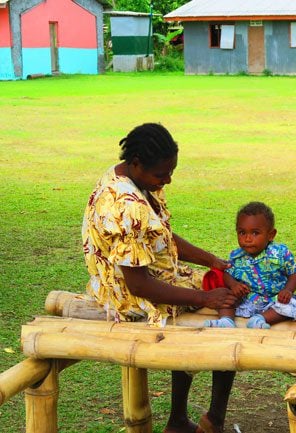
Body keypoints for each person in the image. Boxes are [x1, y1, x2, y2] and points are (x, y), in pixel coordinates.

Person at [82, 122, 237, 433]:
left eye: (171, 171)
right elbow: (139, 285)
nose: (168, 179)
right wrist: (204, 297)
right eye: (162, 174)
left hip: (145, 280)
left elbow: (161, 237)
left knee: (222, 295)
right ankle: (214, 420)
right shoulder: (127, 206)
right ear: (137, 163)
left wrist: (210, 260)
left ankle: (178, 419)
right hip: (133, 300)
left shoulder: (127, 176)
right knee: (229, 325)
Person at [204, 201, 296, 329]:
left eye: (255, 233)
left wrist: (288, 290)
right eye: (242, 233)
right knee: (225, 296)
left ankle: (260, 319)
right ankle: (226, 320)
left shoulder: (280, 253)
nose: (247, 239)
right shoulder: (236, 256)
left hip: (275, 299)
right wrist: (234, 285)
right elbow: (227, 273)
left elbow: (294, 272)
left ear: (271, 235)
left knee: (291, 304)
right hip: (247, 299)